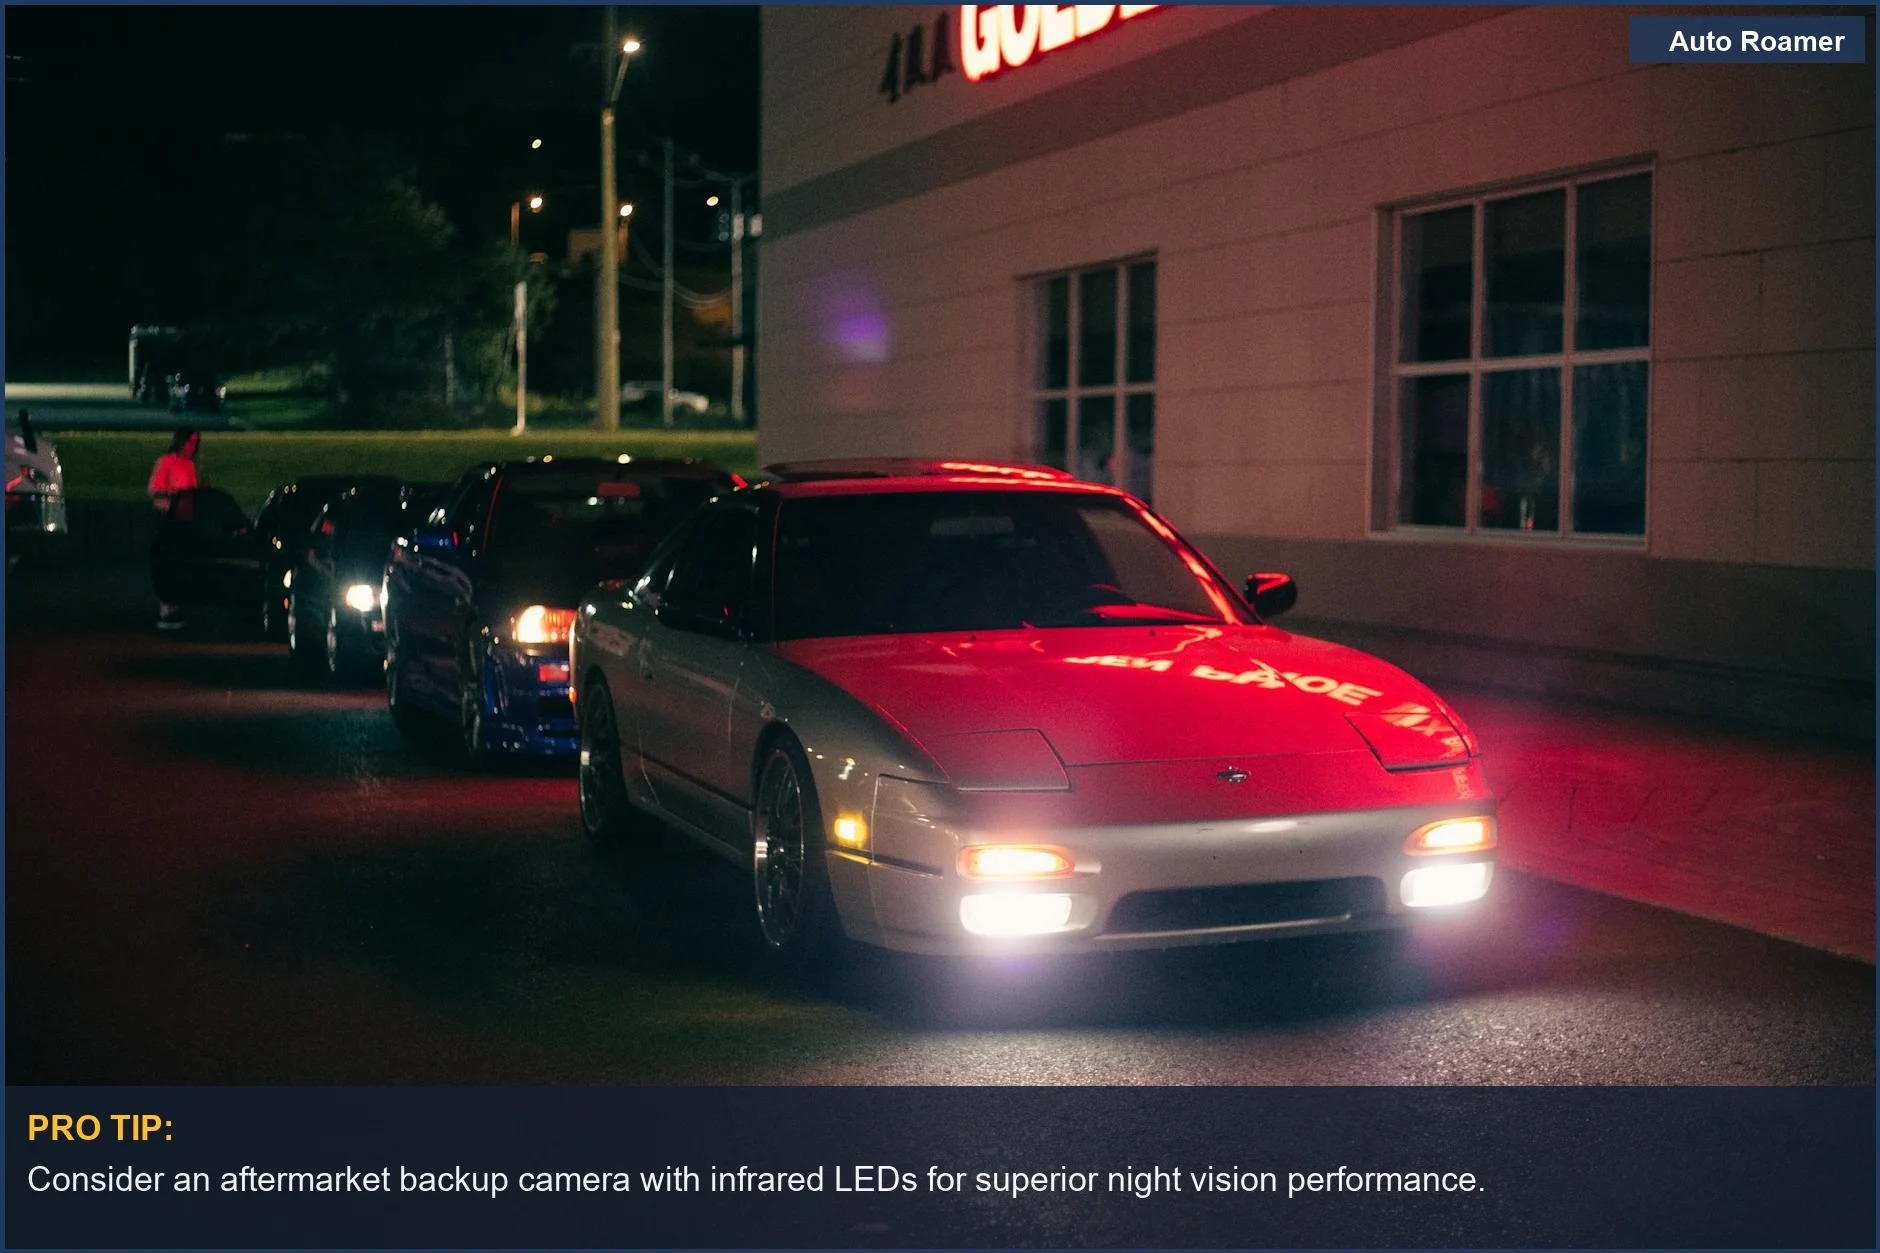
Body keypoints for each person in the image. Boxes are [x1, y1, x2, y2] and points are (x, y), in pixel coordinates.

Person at [148, 430, 202, 629]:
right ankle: (165, 609)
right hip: (168, 518)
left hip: (183, 521)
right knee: (166, 563)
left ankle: (176, 605)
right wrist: (174, 496)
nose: (191, 447)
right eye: (189, 442)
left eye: (194, 443)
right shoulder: (166, 462)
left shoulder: (189, 465)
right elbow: (155, 489)